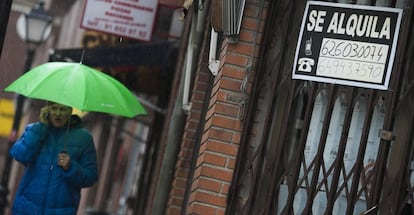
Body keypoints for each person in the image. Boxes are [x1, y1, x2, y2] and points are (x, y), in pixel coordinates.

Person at [9, 101, 98, 215]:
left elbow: (91, 177)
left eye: (62, 109)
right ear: (47, 110)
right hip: (26, 209)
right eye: (54, 108)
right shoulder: (34, 129)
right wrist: (40, 129)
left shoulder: (84, 138)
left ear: (70, 111)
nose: (58, 113)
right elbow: (19, 155)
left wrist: (70, 167)